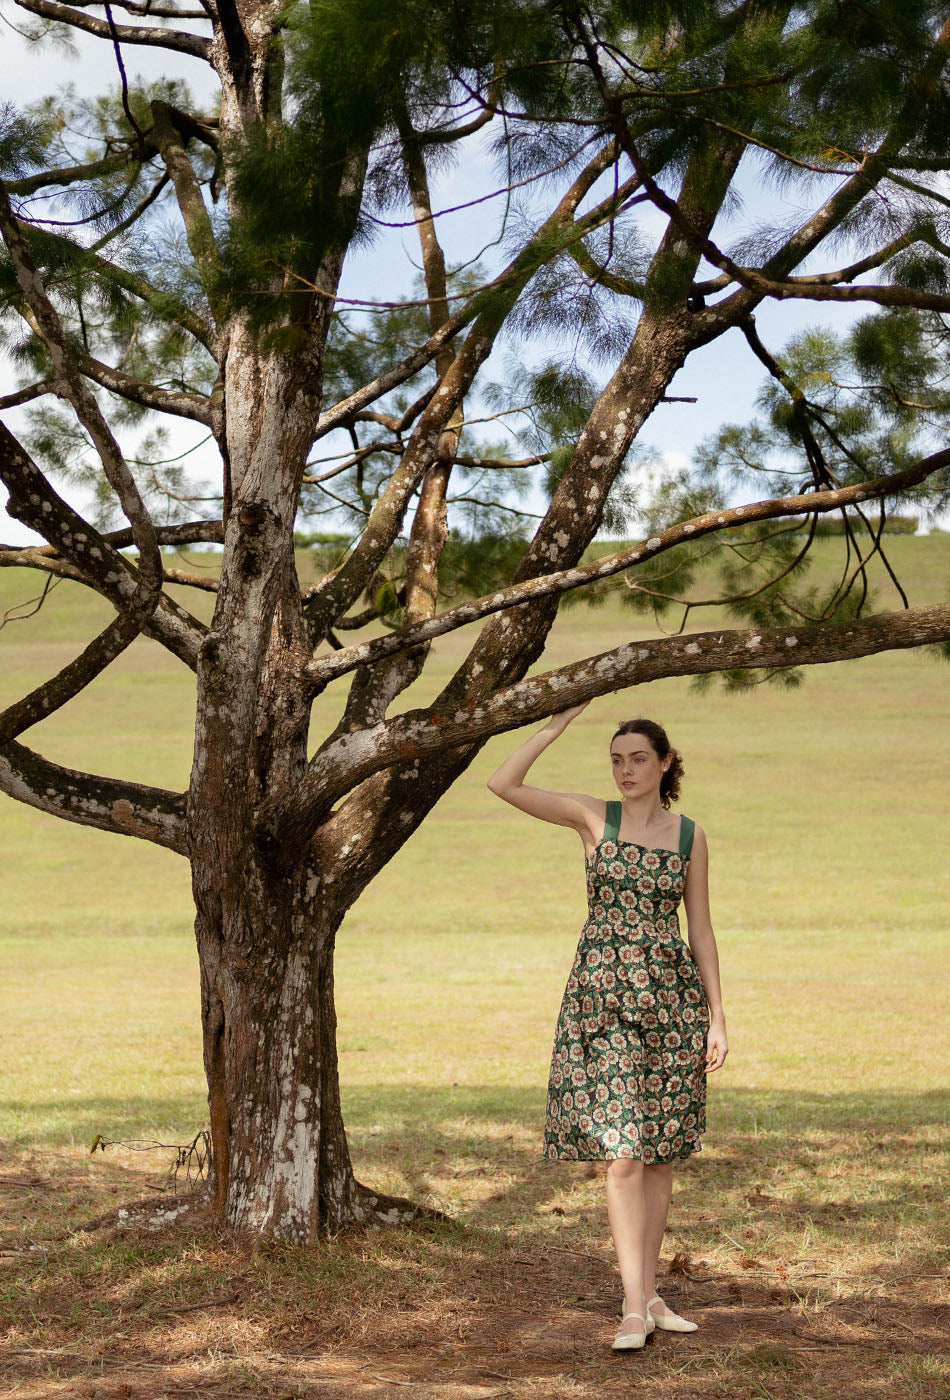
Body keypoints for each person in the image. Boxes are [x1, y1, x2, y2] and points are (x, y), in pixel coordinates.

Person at [487, 703, 728, 1352]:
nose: (625, 770)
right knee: (621, 1156)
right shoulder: (594, 817)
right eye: (617, 760)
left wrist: (718, 1017)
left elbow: (699, 930)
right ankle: (630, 1307)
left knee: (657, 1159)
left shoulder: (689, 837)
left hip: (674, 1005)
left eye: (638, 759)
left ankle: (648, 1294)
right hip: (603, 1003)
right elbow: (502, 785)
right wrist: (551, 727)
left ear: (665, 763)